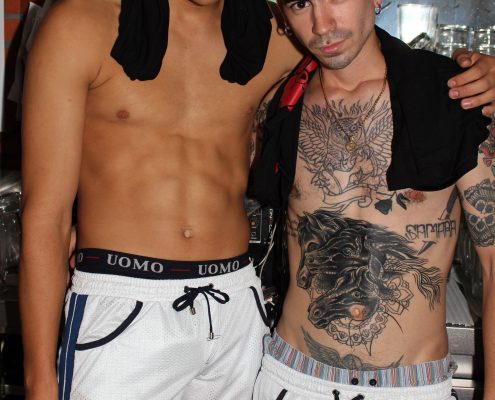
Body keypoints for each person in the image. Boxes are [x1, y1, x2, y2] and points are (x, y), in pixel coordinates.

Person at [19, 0, 495, 399]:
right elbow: (45, 216)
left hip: (236, 310)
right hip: (137, 307)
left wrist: (484, 70)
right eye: (302, 4)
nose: (320, 21)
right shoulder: (81, 23)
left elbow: (358, 50)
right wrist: (39, 381)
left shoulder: (269, 36)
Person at [250, 1, 495, 400]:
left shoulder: (453, 95)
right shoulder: (280, 105)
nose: (321, 25)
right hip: (293, 376)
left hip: (411, 387)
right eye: (300, 3)